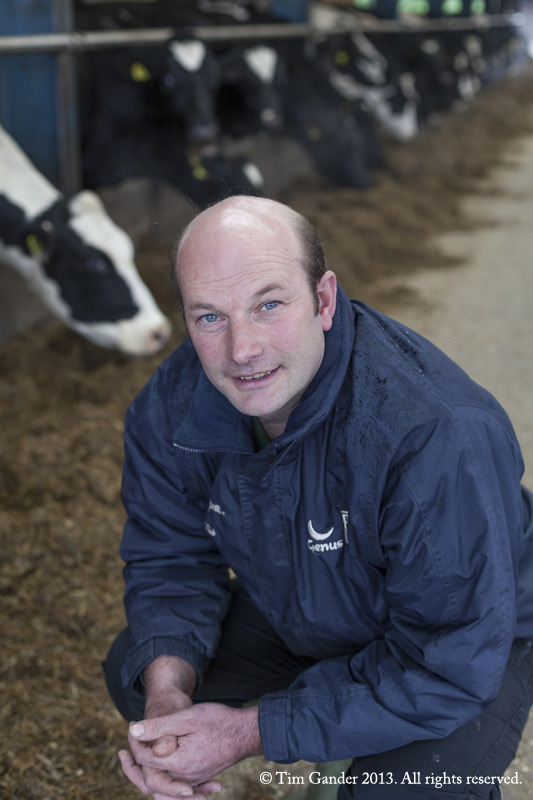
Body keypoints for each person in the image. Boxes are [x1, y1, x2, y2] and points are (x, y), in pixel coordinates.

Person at [104, 195, 533, 800]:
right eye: (209, 317)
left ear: (324, 300)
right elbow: (170, 557)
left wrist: (247, 733)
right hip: (309, 603)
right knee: (142, 668)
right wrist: (169, 698)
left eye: (269, 304)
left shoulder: (434, 433)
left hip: (470, 638)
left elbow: (450, 666)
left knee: (407, 791)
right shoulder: (171, 407)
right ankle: (338, 726)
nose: (242, 350)